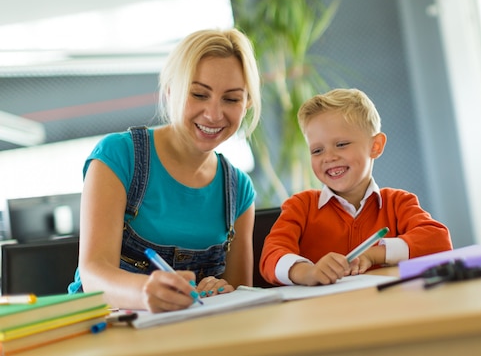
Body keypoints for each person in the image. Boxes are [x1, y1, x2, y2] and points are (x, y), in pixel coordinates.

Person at [68, 29, 262, 312]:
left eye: (231, 99)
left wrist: (221, 291)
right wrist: (146, 292)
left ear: (247, 104)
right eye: (198, 94)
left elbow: (239, 295)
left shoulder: (239, 191)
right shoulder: (119, 156)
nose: (214, 114)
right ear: (171, 90)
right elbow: (94, 275)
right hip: (104, 328)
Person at [260, 88, 452, 286]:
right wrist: (308, 272)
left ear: (375, 146)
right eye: (317, 150)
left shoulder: (398, 203)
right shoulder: (301, 206)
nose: (329, 157)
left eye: (341, 144)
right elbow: (271, 256)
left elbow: (438, 240)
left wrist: (375, 254)